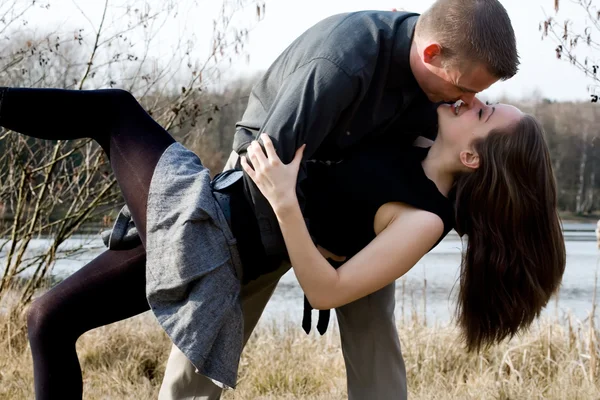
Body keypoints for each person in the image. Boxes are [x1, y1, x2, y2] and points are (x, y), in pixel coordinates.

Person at [1, 84, 565, 400]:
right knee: (48, 320)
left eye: (483, 112)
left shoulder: (424, 220)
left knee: (115, 110)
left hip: (211, 237)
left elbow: (328, 291)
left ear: (472, 157)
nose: (471, 99)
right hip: (208, 217)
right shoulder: (413, 145)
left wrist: (285, 201)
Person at [159, 1, 521, 398]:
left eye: (478, 95)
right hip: (265, 182)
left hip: (364, 203)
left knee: (373, 322)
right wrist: (314, 246)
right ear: (431, 54)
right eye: (464, 88)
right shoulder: (340, 64)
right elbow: (267, 165)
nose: (466, 101)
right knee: (221, 309)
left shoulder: (445, 79)